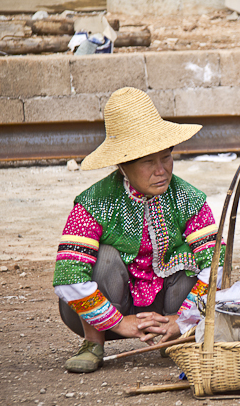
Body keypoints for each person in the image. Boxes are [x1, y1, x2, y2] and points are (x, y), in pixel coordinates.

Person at [53, 87, 223, 373]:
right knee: (103, 258)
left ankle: (177, 336)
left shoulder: (188, 199)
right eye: (148, 162)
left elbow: (218, 265)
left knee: (194, 261)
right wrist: (119, 323)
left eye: (166, 157)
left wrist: (181, 318)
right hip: (110, 307)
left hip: (171, 307)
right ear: (123, 164)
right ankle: (93, 342)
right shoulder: (94, 202)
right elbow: (68, 275)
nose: (162, 170)